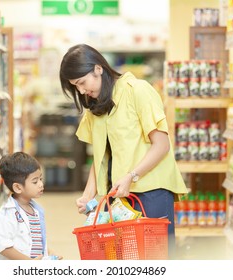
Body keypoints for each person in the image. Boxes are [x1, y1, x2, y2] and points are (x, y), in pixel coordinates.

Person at [59, 44, 188, 259]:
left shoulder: (137, 90)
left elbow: (162, 144)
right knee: (124, 260)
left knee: (155, 261)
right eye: (75, 86)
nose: (81, 91)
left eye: (82, 82)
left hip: (151, 192)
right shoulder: (95, 107)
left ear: (98, 68)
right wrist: (88, 194)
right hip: (118, 197)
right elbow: (101, 156)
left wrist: (132, 175)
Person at [0, 152, 61, 260]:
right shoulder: (7, 215)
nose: (41, 184)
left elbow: (34, 240)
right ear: (18, 188)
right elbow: (3, 247)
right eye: (35, 182)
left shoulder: (35, 209)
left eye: (40, 179)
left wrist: (49, 252)